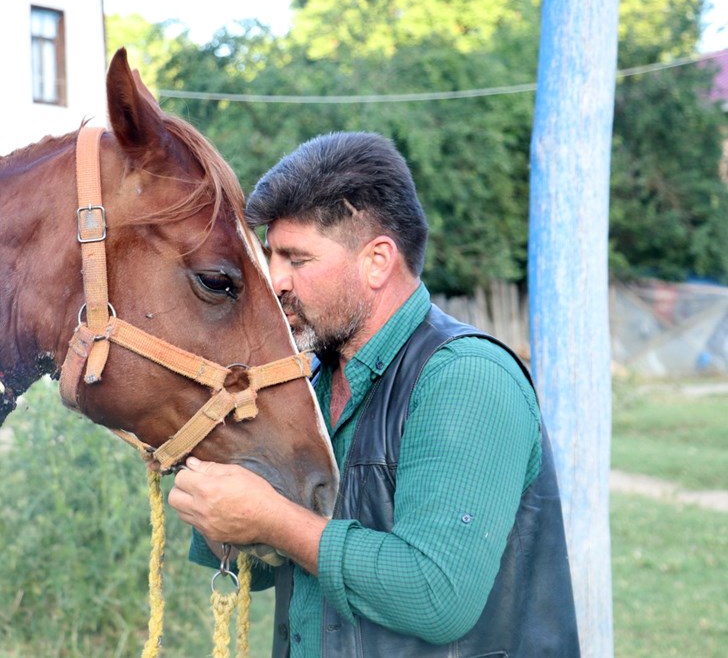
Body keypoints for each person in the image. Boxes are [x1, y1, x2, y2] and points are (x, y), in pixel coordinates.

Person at [167, 131, 580, 656]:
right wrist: (218, 509)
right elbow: (268, 565)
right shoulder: (310, 382)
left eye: (297, 258)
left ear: (378, 261)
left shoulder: (466, 378)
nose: (274, 280)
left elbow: (437, 592)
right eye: (271, 254)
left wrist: (271, 517)